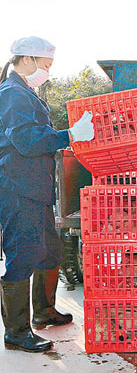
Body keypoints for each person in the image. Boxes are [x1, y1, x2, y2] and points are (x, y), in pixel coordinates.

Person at [0, 36, 94, 352]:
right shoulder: (12, 94)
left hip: (36, 189)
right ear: (26, 60)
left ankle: (43, 312)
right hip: (17, 189)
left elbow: (37, 138)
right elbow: (27, 141)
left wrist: (67, 137)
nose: (48, 72)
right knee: (23, 254)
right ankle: (16, 332)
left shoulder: (27, 93)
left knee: (49, 252)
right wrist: (69, 134)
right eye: (46, 65)